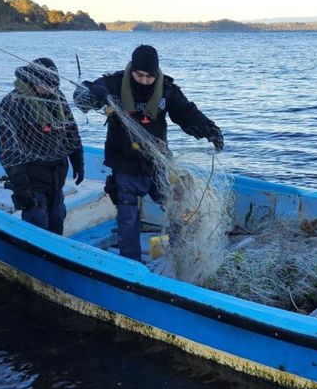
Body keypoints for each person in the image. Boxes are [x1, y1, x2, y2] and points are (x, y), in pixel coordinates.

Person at [74, 45, 224, 262]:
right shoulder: (114, 84)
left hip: (158, 163)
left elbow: (187, 114)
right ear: (131, 70)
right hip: (124, 163)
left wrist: (211, 131)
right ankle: (130, 265)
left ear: (157, 73)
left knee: (177, 209)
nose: (143, 80)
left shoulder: (167, 90)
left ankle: (180, 256)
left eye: (149, 76)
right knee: (127, 217)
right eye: (138, 75)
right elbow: (80, 94)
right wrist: (93, 95)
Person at [0, 57, 85, 234]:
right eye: (45, 85)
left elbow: (71, 132)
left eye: (53, 85)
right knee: (37, 229)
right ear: (32, 79)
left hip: (56, 179)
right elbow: (8, 151)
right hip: (32, 184)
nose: (49, 90)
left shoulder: (57, 98)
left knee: (57, 224)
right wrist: (21, 187)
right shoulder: (11, 103)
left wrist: (78, 161)